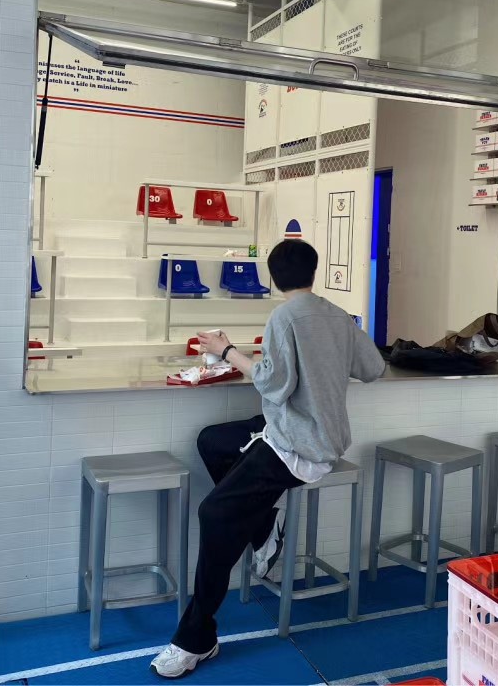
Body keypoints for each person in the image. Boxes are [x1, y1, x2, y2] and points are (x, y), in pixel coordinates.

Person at [151, 239, 385, 678]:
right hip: (311, 436)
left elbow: (273, 384)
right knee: (213, 441)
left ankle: (196, 639)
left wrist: (226, 351)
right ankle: (262, 529)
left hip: (296, 446)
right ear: (314, 272)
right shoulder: (337, 315)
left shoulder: (284, 316)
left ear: (274, 278)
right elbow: (374, 368)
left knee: (214, 514)